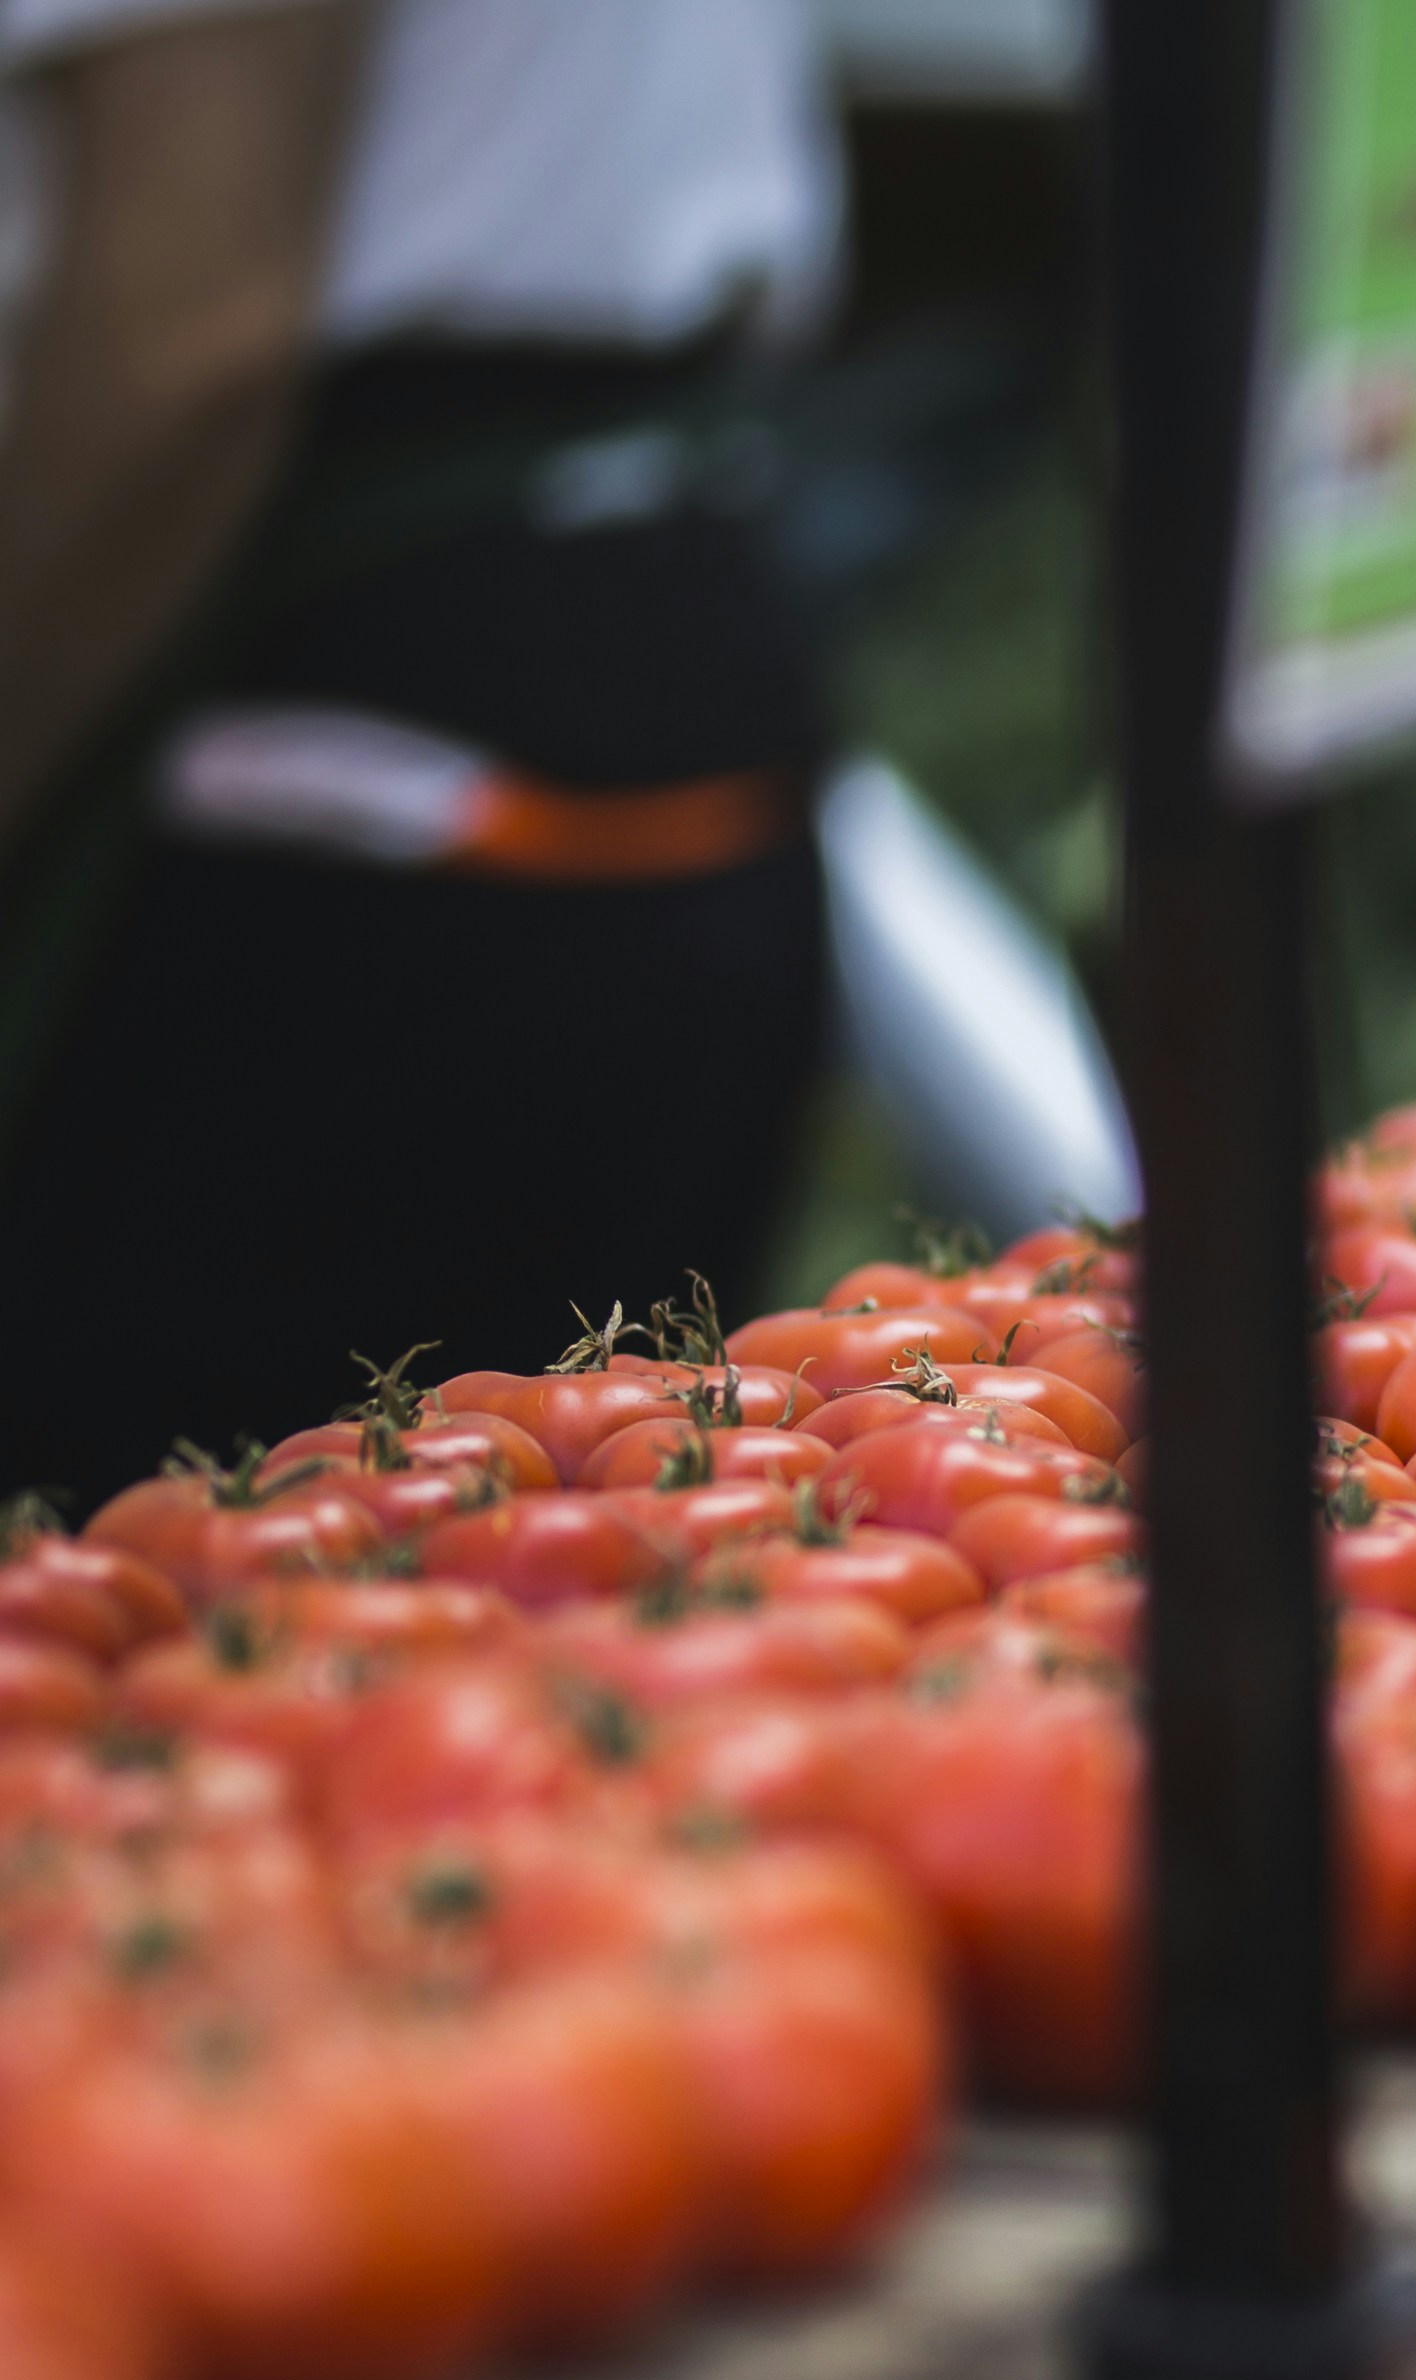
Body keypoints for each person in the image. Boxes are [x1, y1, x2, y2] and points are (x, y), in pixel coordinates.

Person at [0, 0, 844, 1506]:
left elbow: (188, 332)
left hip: (325, 722)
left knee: (178, 1624)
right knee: (570, 1570)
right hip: (625, 609)